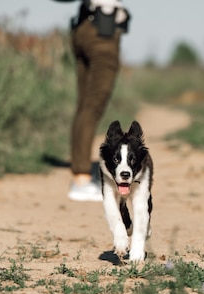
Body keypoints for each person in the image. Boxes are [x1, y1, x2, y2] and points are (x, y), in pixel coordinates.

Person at [53, 0, 131, 202]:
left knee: (85, 105)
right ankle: (81, 180)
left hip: (83, 29)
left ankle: (80, 174)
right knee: (94, 105)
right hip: (102, 33)